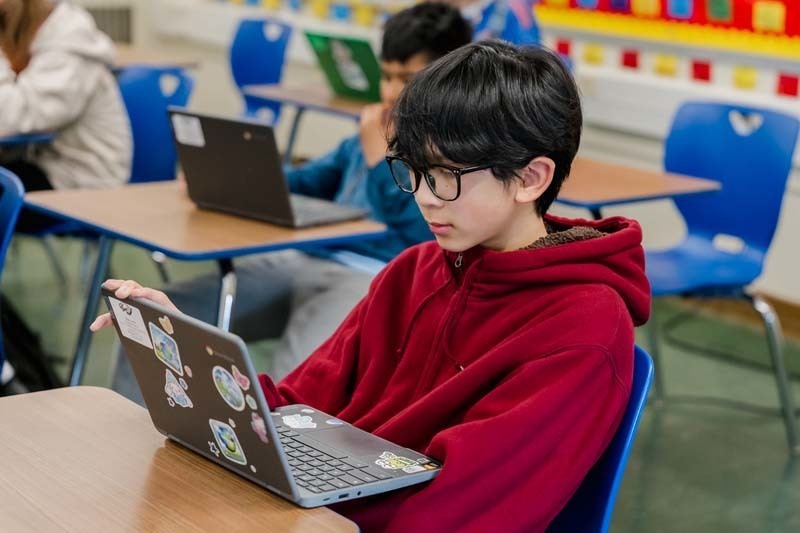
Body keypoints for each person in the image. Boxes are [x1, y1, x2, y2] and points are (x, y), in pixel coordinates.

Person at [93, 41, 651, 531]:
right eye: (414, 171)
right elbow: (295, 406)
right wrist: (185, 351)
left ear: (531, 178)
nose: (424, 196)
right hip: (318, 514)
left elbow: (454, 514)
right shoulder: (414, 270)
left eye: (447, 176)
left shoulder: (583, 328)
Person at [157, 2, 473, 381]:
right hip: (307, 259)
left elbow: (420, 227)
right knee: (164, 319)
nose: (391, 93)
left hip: (370, 276)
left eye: (407, 79)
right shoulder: (373, 133)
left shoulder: (457, 151)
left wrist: (379, 159)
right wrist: (226, 177)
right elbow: (310, 179)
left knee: (296, 383)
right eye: (386, 76)